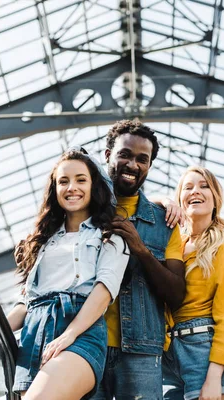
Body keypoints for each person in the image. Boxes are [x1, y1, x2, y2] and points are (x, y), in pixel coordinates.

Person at [0, 149, 130, 399]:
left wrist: (70, 334)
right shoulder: (42, 242)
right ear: (54, 188)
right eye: (63, 181)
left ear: (94, 186)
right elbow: (27, 300)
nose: (72, 187)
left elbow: (104, 292)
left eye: (81, 180)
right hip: (33, 335)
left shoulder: (110, 238)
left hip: (80, 330)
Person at [93, 119, 186, 400]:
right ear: (108, 155)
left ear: (149, 166)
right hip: (86, 344)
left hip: (142, 352)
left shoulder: (165, 224)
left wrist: (140, 249)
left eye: (142, 159)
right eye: (125, 155)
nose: (133, 165)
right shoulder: (83, 211)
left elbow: (177, 294)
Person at [162, 166, 224, 400]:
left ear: (215, 198)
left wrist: (214, 376)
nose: (195, 191)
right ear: (179, 200)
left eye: (203, 186)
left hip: (204, 352)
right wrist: (164, 200)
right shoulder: (173, 243)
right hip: (169, 354)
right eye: (188, 187)